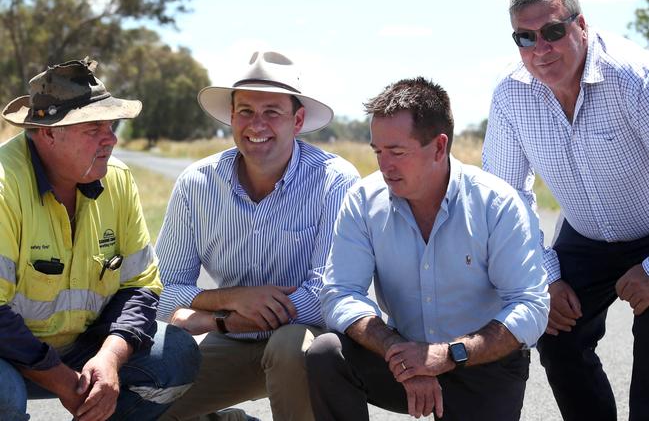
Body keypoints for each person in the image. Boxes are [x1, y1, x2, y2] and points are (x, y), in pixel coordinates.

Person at [306, 77, 549, 421]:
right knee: (326, 354)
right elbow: (340, 293)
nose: (384, 165)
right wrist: (396, 349)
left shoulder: (497, 204)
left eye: (397, 152)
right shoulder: (363, 201)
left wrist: (448, 354)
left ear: (439, 147)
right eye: (378, 151)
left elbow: (530, 306)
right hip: (403, 358)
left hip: (481, 364)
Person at [156, 50, 359, 421]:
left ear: (297, 120)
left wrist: (219, 315)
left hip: (307, 343)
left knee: (289, 347)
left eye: (272, 112)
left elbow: (327, 297)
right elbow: (163, 293)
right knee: (140, 405)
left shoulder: (335, 181)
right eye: (246, 111)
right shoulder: (196, 184)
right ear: (231, 116)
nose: (256, 124)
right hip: (229, 341)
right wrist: (233, 303)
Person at [482, 0, 649, 421]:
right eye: (526, 37)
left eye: (553, 31)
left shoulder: (634, 77)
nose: (541, 48)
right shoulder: (510, 96)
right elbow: (505, 198)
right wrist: (547, 278)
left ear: (581, 25)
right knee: (555, 334)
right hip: (586, 234)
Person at [0, 58, 200, 421]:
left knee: (175, 356)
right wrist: (63, 381)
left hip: (83, 348)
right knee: (3, 392)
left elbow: (141, 284)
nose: (112, 138)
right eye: (94, 127)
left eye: (112, 124)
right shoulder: (4, 187)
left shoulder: (118, 181)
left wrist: (110, 357)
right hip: (8, 356)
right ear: (47, 133)